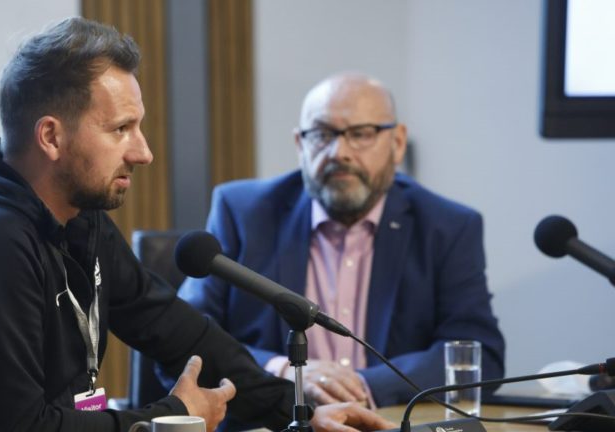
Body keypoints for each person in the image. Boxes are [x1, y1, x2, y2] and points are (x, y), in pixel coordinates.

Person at [0, 19, 395, 432]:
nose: (143, 152)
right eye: (121, 128)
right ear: (51, 137)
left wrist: (298, 411)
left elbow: (177, 331)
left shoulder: (80, 221)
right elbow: (16, 425)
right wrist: (167, 418)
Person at [179, 72, 506, 408]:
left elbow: (479, 353)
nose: (339, 152)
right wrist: (283, 371)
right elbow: (186, 335)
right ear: (299, 144)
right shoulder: (243, 212)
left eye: (361, 134)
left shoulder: (447, 226)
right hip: (269, 421)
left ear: (397, 143)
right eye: (322, 134)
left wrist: (365, 386)